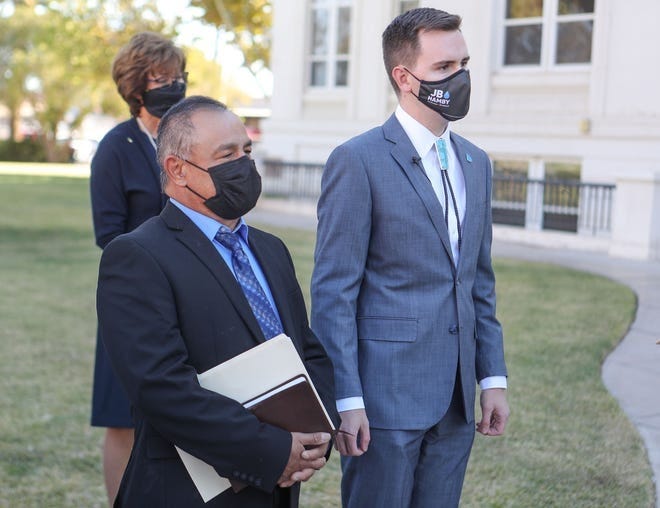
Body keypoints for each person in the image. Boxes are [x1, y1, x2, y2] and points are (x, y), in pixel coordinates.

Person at [96, 95, 338, 507]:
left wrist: (316, 435)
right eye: (226, 155)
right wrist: (271, 451)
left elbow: (307, 350)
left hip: (279, 486)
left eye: (247, 151)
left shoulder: (271, 249)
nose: (244, 165)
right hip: (186, 491)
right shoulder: (137, 256)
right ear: (177, 169)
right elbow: (161, 388)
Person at [310, 8, 510, 507]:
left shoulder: (476, 163)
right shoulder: (358, 160)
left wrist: (493, 379)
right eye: (444, 68)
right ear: (405, 76)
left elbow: (477, 281)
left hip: (459, 397)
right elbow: (334, 291)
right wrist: (347, 398)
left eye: (463, 63)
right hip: (384, 399)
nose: (460, 77)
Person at [89, 31, 187, 505]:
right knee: (122, 420)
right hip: (132, 297)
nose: (173, 84)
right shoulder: (115, 147)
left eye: (178, 76)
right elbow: (107, 233)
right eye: (160, 77)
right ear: (135, 85)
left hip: (189, 294)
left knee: (178, 413)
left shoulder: (185, 139)